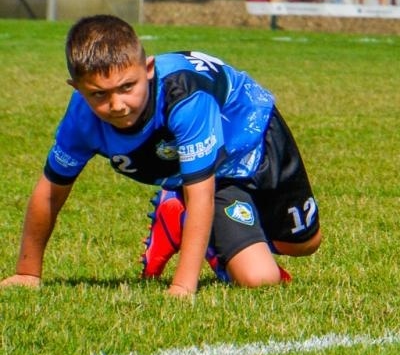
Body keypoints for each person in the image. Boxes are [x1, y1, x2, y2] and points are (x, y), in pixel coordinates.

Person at [0, 15, 323, 297]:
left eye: (127, 87)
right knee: (259, 279)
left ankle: (186, 218)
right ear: (77, 88)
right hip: (204, 173)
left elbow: (201, 194)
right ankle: (200, 229)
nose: (116, 105)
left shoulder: (184, 93)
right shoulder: (81, 119)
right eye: (99, 94)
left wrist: (182, 287)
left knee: (304, 245)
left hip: (253, 135)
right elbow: (50, 193)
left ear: (149, 69)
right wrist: (28, 272)